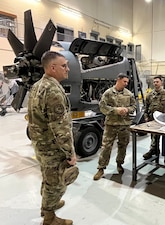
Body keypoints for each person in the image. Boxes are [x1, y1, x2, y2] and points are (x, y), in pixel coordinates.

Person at [27, 51, 78, 225]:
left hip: (40, 144)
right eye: (64, 65)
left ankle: (49, 205)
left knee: (47, 177)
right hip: (52, 148)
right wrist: (70, 153)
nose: (68, 69)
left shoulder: (37, 86)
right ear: (52, 68)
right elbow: (60, 128)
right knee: (55, 183)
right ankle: (49, 217)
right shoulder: (53, 90)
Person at [93, 73, 136, 180]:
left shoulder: (129, 94)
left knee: (123, 146)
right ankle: (101, 168)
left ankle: (119, 164)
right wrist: (115, 110)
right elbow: (102, 107)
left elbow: (134, 106)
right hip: (111, 124)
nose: (126, 84)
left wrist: (127, 110)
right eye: (124, 81)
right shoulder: (108, 93)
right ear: (118, 80)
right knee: (106, 146)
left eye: (127, 82)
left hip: (124, 124)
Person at [142, 75, 165, 160]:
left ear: (161, 82)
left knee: (161, 136)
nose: (155, 84)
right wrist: (146, 117)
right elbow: (145, 107)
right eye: (154, 82)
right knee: (153, 136)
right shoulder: (150, 95)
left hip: (161, 120)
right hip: (151, 120)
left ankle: (157, 150)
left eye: (157, 82)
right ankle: (155, 150)